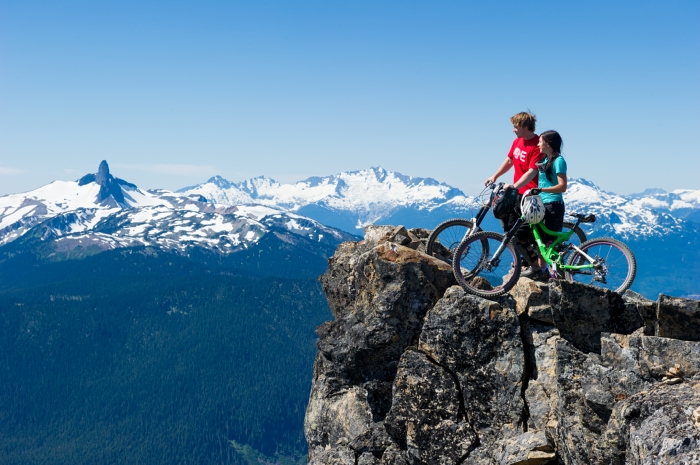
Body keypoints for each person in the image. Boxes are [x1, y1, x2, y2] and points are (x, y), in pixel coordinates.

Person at [485, 111, 542, 271]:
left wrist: (515, 186)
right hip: (516, 193)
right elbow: (510, 160)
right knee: (508, 227)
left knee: (519, 233)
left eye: (515, 126)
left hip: (530, 196)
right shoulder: (517, 141)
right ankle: (525, 255)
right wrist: (495, 175)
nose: (513, 130)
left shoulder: (537, 145)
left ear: (525, 126)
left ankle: (537, 267)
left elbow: (532, 171)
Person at [510, 130, 567, 278]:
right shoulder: (544, 160)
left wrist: (541, 189)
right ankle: (537, 267)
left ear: (548, 143)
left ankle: (545, 272)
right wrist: (514, 187)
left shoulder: (559, 161)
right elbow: (530, 173)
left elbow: (562, 186)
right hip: (541, 205)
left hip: (553, 205)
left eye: (540, 141)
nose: (538, 144)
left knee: (548, 243)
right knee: (524, 236)